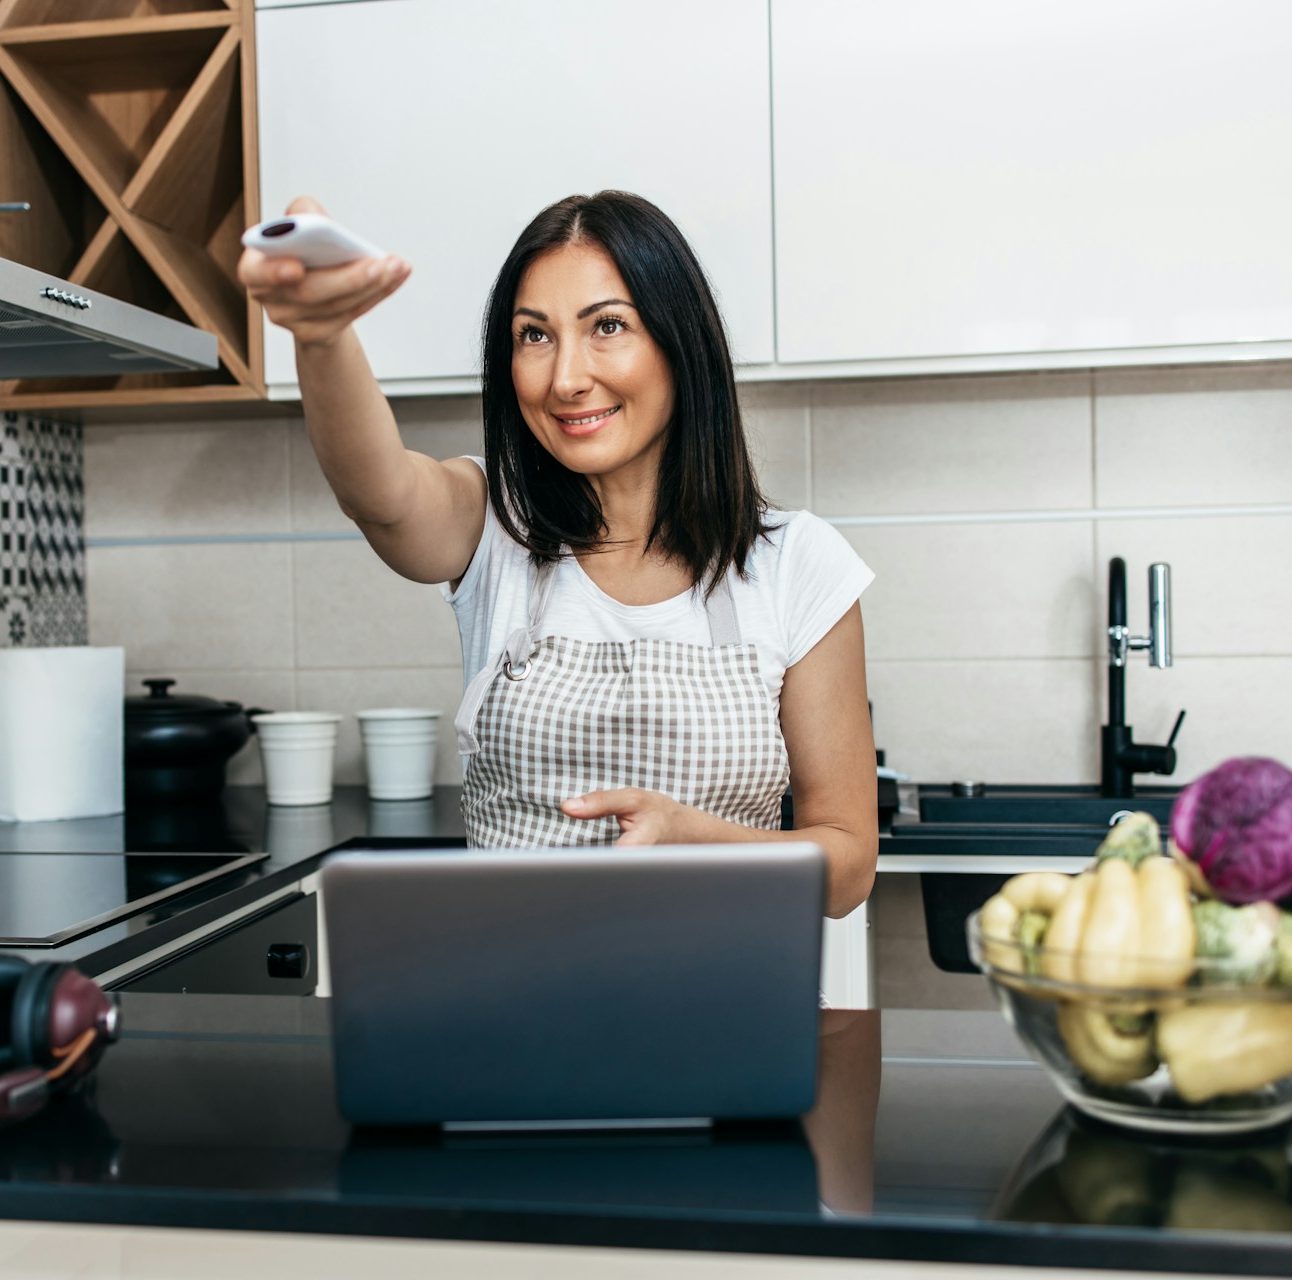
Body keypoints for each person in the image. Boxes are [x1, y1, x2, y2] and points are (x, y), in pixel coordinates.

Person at [239, 191, 878, 917]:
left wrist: (696, 840)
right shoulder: (492, 529)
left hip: (728, 1010)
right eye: (534, 336)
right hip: (516, 1010)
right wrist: (323, 339)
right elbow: (380, 494)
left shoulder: (797, 564)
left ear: (680, 341)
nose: (566, 377)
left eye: (608, 326)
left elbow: (849, 864)